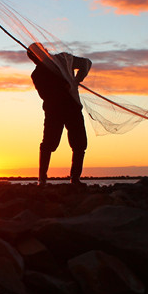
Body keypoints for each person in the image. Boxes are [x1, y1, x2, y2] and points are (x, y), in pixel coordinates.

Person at [26, 42, 91, 186]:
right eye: (33, 57)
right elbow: (46, 95)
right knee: (49, 144)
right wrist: (62, 85)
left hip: (72, 108)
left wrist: (75, 81)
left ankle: (75, 179)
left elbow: (86, 63)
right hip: (54, 111)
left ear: (45, 51)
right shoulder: (37, 74)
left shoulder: (63, 60)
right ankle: (42, 179)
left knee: (79, 144)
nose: (36, 59)